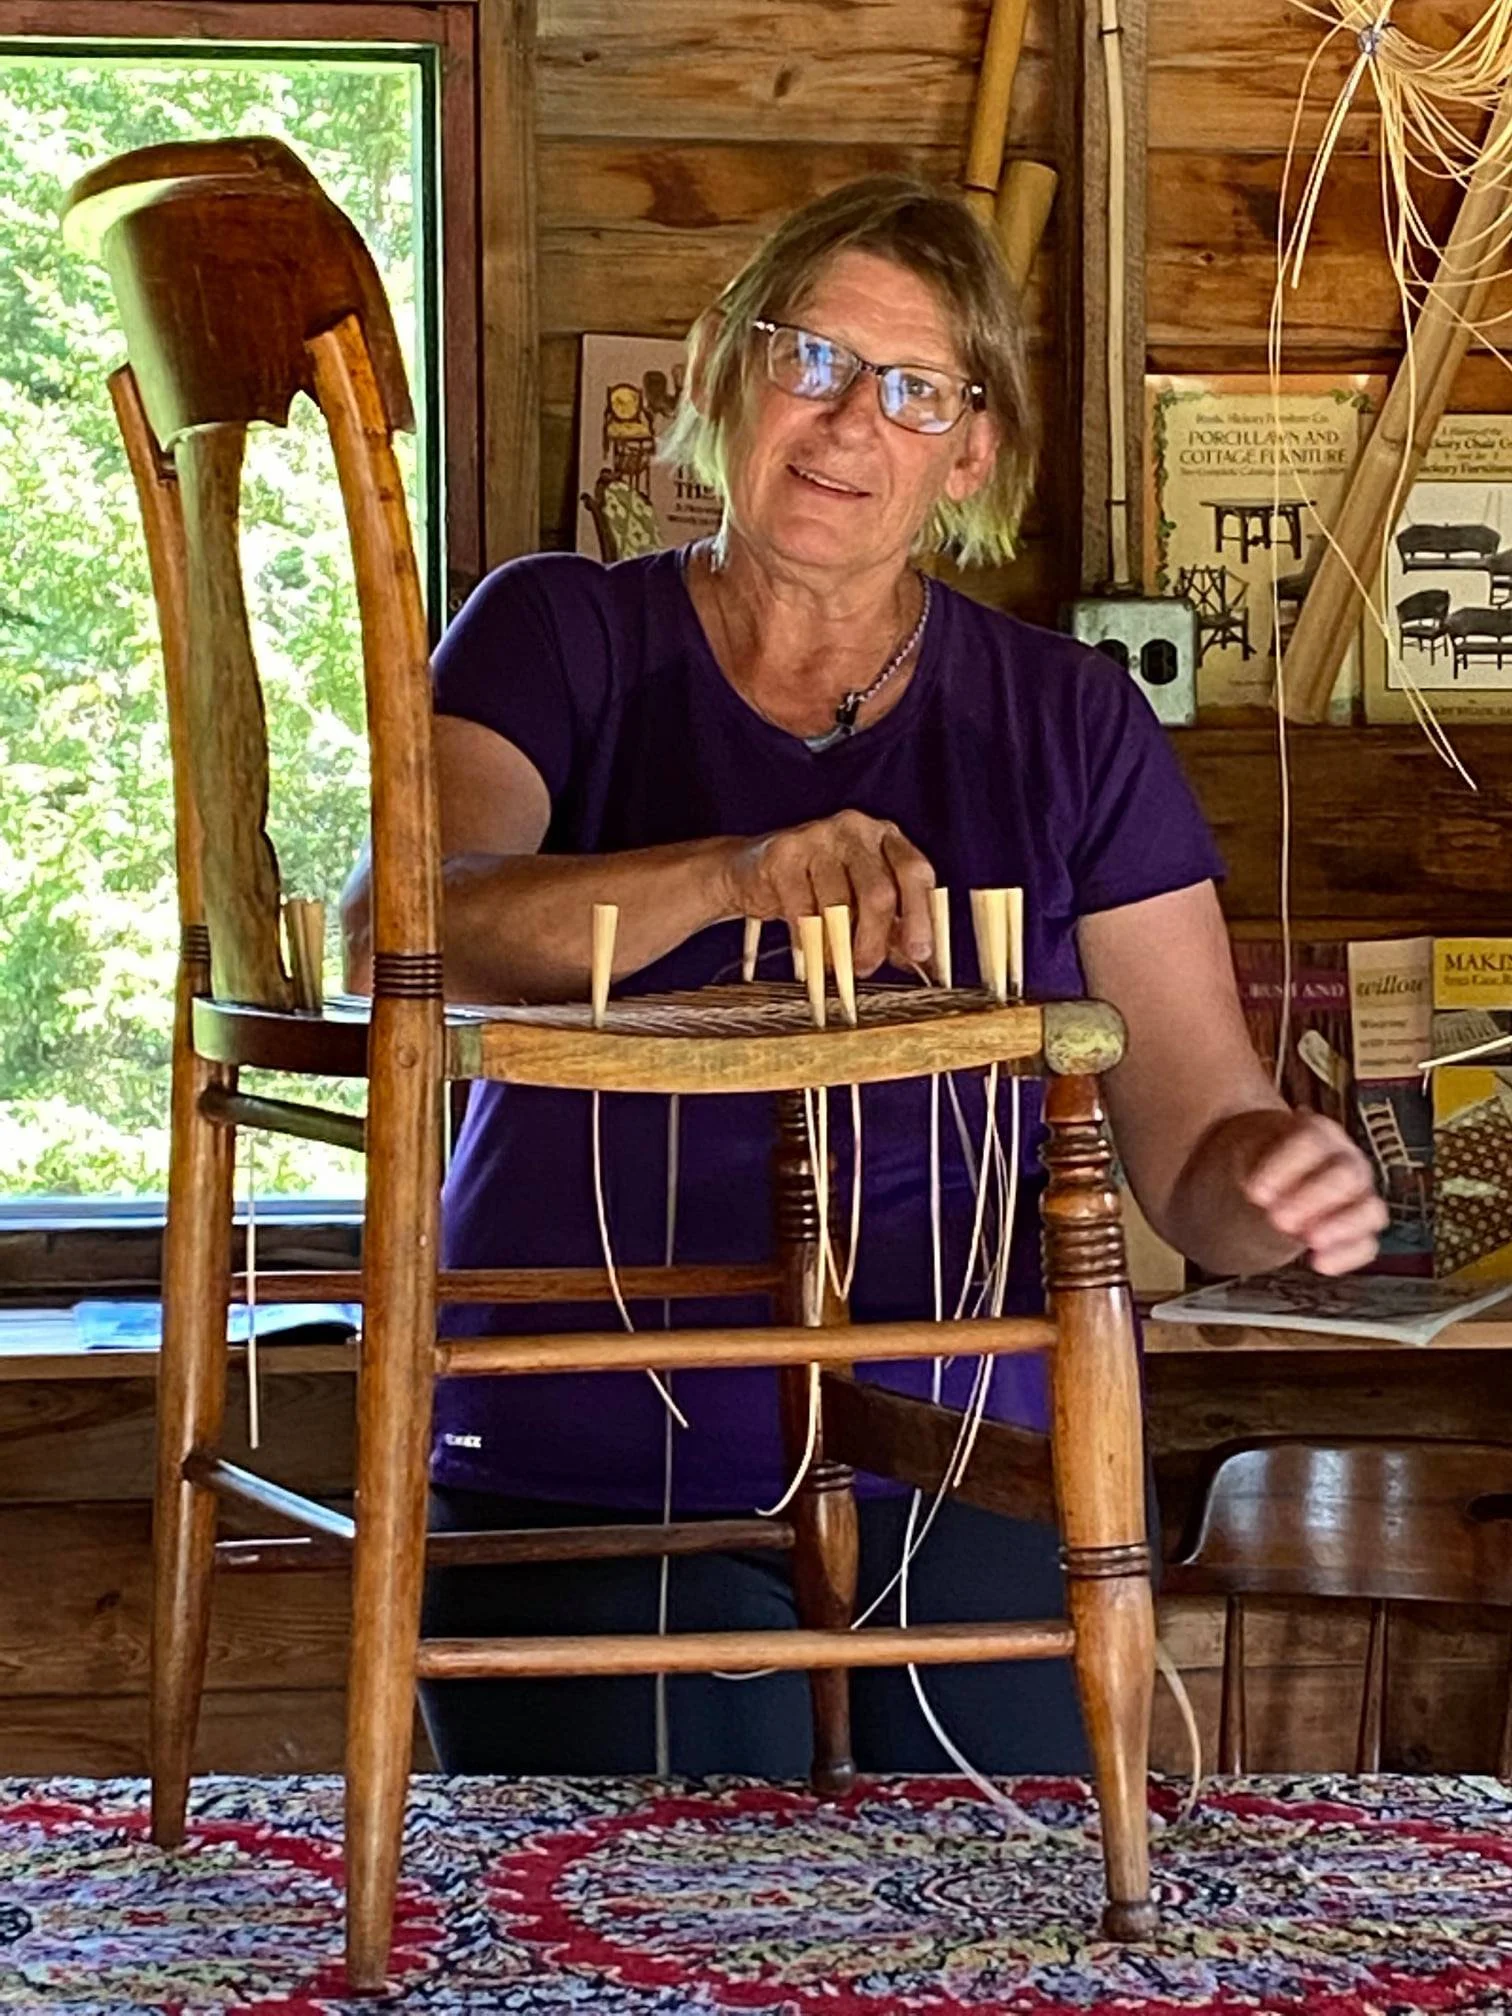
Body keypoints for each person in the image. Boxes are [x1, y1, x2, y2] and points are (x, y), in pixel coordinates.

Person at [342, 175, 1386, 1780]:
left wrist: (1280, 1185)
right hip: (593, 1449)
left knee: (992, 1892)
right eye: (812, 358)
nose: (848, 422)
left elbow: (1195, 1152)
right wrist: (732, 873)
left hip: (966, 1456)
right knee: (647, 1900)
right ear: (722, 371)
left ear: (970, 452)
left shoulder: (1070, 720)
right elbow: (401, 931)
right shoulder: (553, 633)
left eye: (914, 390)